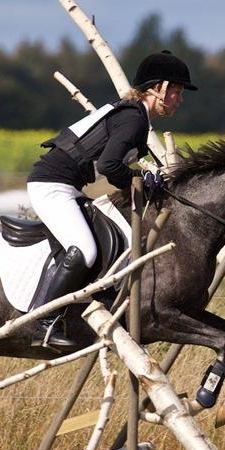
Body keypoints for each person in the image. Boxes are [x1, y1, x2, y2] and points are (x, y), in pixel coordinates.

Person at [24, 50, 197, 351]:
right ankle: (43, 321)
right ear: (160, 88)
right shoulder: (133, 119)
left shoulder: (134, 116)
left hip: (68, 185)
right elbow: (108, 166)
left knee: (118, 239)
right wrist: (138, 181)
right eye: (177, 93)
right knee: (86, 250)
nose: (179, 100)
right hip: (51, 185)